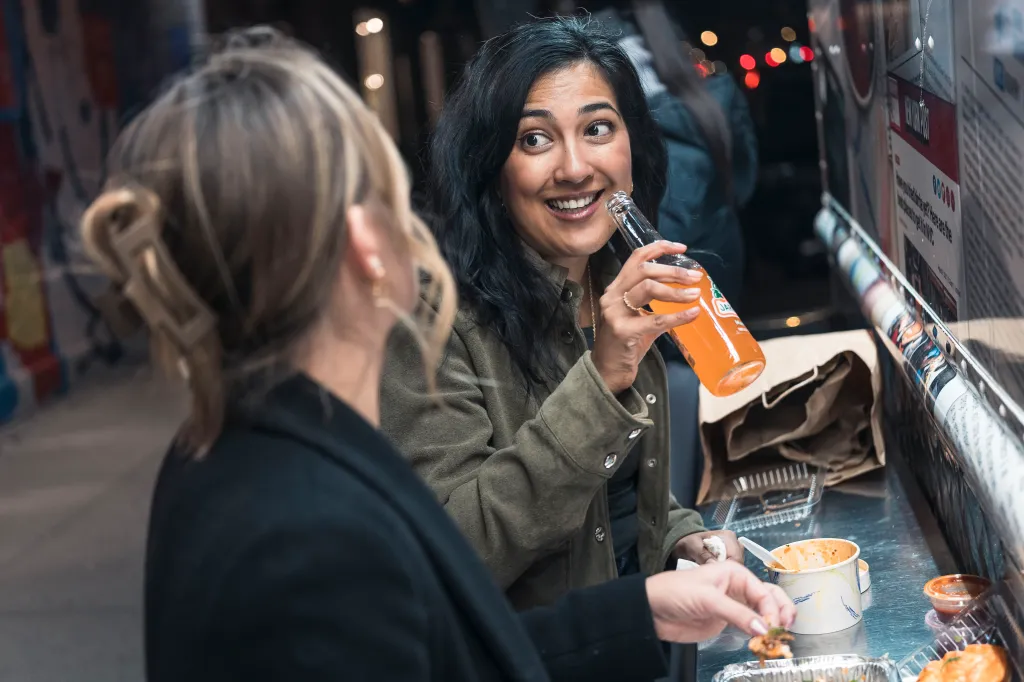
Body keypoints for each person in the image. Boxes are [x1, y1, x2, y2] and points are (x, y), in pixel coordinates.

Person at [79, 27, 793, 682]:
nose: (421, 234)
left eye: (599, 129)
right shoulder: (306, 524)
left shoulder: (249, 450)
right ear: (369, 245)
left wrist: (665, 571)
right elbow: (457, 585)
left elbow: (444, 652)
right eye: (397, 204)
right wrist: (602, 382)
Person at [381, 17, 741, 612]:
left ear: (633, 144)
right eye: (535, 139)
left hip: (637, 645)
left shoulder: (612, 276)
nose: (575, 167)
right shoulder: (430, 316)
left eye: (598, 128)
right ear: (491, 166)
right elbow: (455, 551)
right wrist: (600, 380)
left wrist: (680, 536)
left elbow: (613, 494)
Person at [590, 0, 760, 508]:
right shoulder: (716, 97)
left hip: (655, 307)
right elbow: (745, 185)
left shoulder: (623, 125)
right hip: (721, 279)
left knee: (672, 396)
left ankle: (685, 511)